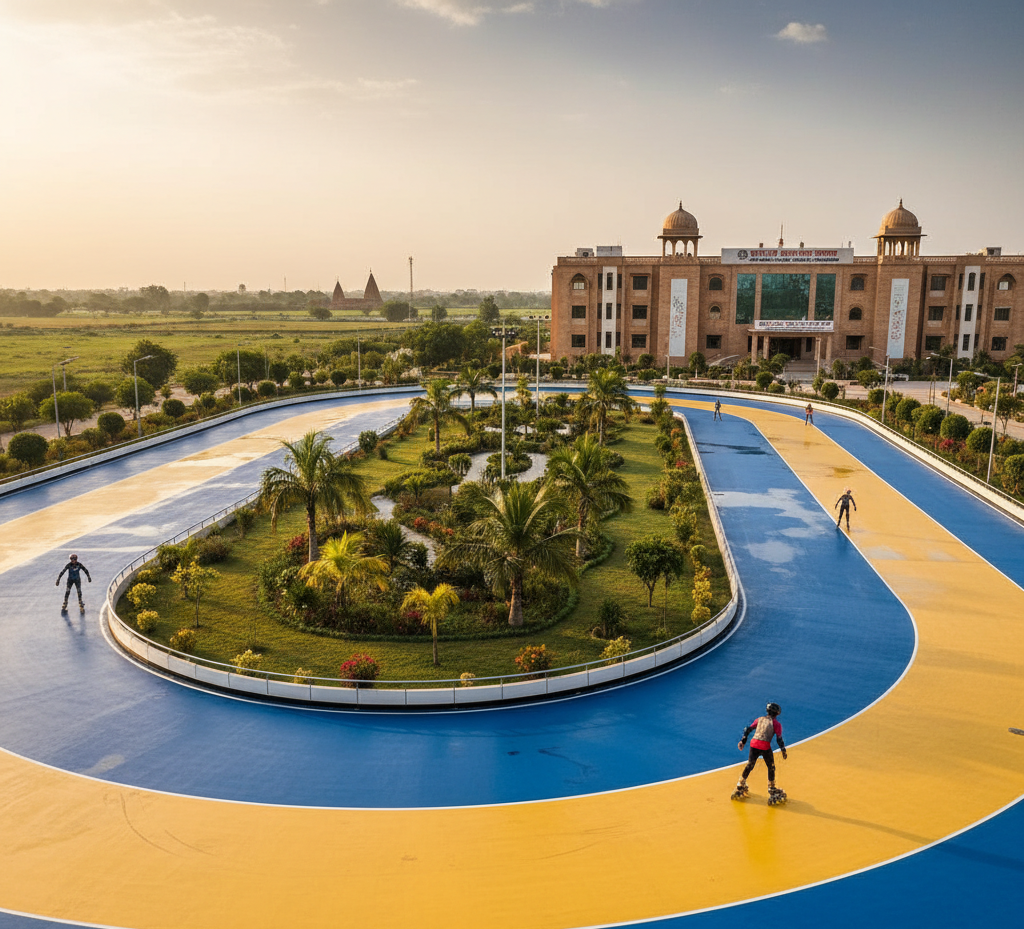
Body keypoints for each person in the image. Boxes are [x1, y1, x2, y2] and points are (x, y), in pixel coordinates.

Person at [732, 701, 788, 804]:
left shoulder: (759, 719)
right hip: (765, 746)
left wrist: (743, 741)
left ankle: (740, 784)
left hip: (754, 744)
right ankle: (771, 788)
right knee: (771, 767)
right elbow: (779, 739)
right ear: (776, 714)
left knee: (750, 764)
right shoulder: (776, 724)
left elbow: (748, 729)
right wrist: (783, 750)